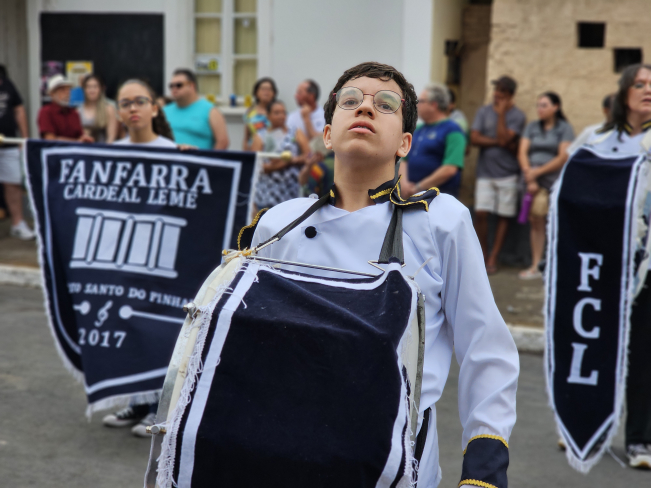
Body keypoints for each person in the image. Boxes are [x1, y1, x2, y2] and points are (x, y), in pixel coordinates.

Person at [248, 62, 519, 488]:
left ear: (404, 143)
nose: (365, 108)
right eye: (350, 101)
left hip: (397, 464)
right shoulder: (279, 224)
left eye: (386, 104)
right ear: (327, 134)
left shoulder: (439, 222)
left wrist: (484, 470)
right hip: (289, 451)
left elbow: (485, 348)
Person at [582, 63, 651, 469]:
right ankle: (588, 430)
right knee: (597, 347)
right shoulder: (597, 140)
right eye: (640, 84)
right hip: (601, 263)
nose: (647, 90)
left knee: (643, 354)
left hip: (647, 266)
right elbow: (574, 194)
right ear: (624, 92)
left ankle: (640, 439)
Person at [102, 79, 176, 437]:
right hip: (124, 256)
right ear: (118, 111)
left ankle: (158, 406)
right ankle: (137, 402)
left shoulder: (174, 151)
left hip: (163, 257)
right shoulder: (112, 153)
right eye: (125, 103)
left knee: (159, 331)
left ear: (154, 107)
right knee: (129, 327)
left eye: (140, 101)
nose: (133, 108)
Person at [470, 75, 526, 274]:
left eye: (501, 91)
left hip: (508, 173)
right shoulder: (483, 112)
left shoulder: (518, 116)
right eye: (496, 90)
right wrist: (498, 142)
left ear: (510, 95)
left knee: (504, 215)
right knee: (481, 213)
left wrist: (501, 114)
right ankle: (483, 254)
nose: (496, 94)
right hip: (485, 172)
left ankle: (494, 256)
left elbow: (504, 139)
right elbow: (475, 138)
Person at [517, 92, 574, 280]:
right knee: (535, 221)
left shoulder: (564, 128)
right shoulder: (532, 127)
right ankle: (536, 265)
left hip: (553, 181)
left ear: (556, 107)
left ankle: (555, 265)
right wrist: (530, 176)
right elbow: (522, 152)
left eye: (544, 105)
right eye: (538, 105)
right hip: (531, 182)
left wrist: (538, 172)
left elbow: (563, 156)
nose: (540, 109)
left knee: (555, 221)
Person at [399, 82, 466, 198]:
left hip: (438, 198)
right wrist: (404, 184)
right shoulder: (417, 130)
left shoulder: (453, 130)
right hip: (410, 196)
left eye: (421, 101)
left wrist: (418, 188)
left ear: (434, 105)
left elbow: (450, 168)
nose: (417, 105)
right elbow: (404, 159)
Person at [251, 100, 310, 210]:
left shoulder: (295, 132)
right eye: (277, 113)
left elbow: (308, 155)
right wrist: (282, 164)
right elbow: (255, 165)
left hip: (291, 190)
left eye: (283, 112)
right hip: (267, 193)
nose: (281, 116)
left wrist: (294, 160)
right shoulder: (260, 136)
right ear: (268, 115)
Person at [0, 65, 35, 239]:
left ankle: (17, 223)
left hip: (9, 143)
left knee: (13, 182)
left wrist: (24, 138)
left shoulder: (8, 84)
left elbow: (19, 110)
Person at [163, 69, 229, 150]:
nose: (174, 88)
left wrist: (207, 158)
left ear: (192, 86)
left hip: (199, 158)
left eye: (179, 85)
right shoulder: (164, 111)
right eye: (171, 86)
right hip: (169, 157)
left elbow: (223, 142)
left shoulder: (211, 110)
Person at [38, 75, 94, 143]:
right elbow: (50, 140)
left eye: (68, 90)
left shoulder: (74, 113)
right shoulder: (46, 112)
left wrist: (86, 140)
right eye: (62, 90)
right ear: (52, 94)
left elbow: (81, 136)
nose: (67, 93)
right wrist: (77, 141)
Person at [78, 74, 117, 144]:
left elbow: (111, 137)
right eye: (88, 87)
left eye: (95, 87)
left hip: (102, 148)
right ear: (84, 89)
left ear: (101, 89)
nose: (92, 90)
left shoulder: (109, 109)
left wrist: (105, 150)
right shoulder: (78, 110)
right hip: (82, 149)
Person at [242, 77, 276, 150]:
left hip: (273, 152)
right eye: (263, 89)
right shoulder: (249, 113)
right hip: (254, 151)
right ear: (256, 93)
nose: (266, 92)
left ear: (274, 93)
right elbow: (246, 138)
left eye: (269, 89)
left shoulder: (279, 111)